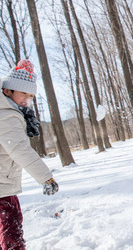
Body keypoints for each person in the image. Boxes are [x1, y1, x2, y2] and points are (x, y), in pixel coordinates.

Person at [1, 59, 59, 249]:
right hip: (2, 189)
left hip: (4, 185)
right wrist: (46, 177)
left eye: (31, 95)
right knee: (11, 234)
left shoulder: (9, 111)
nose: (27, 99)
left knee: (10, 227)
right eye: (23, 93)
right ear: (7, 91)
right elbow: (19, 149)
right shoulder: (7, 115)